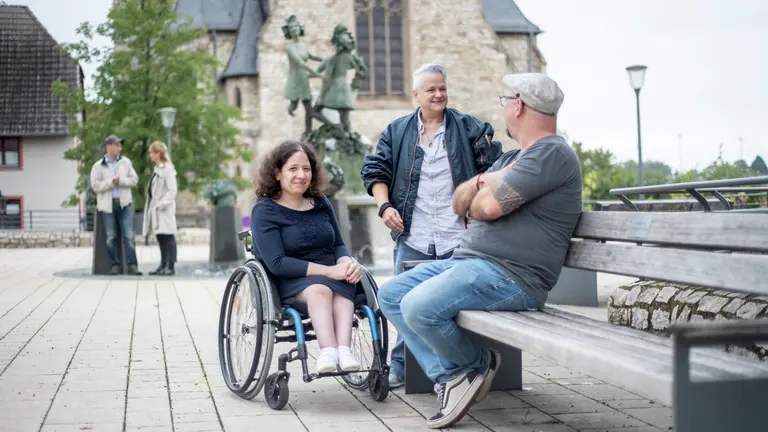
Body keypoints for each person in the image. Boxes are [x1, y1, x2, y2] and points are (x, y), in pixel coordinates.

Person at [377, 72, 583, 429]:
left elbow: (487, 208)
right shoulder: (511, 159)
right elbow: (462, 200)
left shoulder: (552, 152)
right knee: (393, 294)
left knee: (418, 306)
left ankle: (472, 366)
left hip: (513, 276)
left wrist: (481, 191)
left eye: (505, 101)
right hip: (474, 264)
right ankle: (451, 375)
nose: (503, 109)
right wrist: (481, 183)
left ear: (517, 105)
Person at [359, 63, 503, 389]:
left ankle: (460, 370)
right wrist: (385, 207)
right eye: (431, 89)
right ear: (416, 95)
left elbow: (495, 170)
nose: (438, 94)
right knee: (399, 303)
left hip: (460, 237)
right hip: (414, 235)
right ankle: (404, 368)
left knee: (441, 307)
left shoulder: (470, 129)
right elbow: (375, 171)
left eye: (442, 88)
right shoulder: (396, 131)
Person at [250, 140, 363, 374]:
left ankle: (344, 351)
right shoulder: (265, 211)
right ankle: (328, 351)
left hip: (333, 274)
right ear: (277, 173)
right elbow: (277, 263)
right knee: (320, 290)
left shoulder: (321, 203)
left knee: (345, 288)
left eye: (306, 169)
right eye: (293, 169)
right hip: (292, 278)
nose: (301, 175)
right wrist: (330, 271)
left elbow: (339, 244)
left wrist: (346, 262)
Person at [90, 135, 141, 276]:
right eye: (117, 145)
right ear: (109, 147)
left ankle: (132, 266)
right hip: (108, 205)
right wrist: (110, 183)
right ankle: (115, 266)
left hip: (125, 204)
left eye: (120, 145)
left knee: (129, 236)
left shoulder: (126, 162)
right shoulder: (98, 166)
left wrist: (121, 181)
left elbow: (134, 180)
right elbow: (95, 186)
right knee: (110, 236)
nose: (120, 148)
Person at [142, 141, 178, 276]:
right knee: (161, 237)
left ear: (158, 153)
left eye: (152, 152)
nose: (150, 155)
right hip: (156, 210)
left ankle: (170, 266)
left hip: (164, 210)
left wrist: (161, 204)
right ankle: (163, 264)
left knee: (168, 237)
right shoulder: (157, 169)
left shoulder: (168, 169)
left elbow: (172, 190)